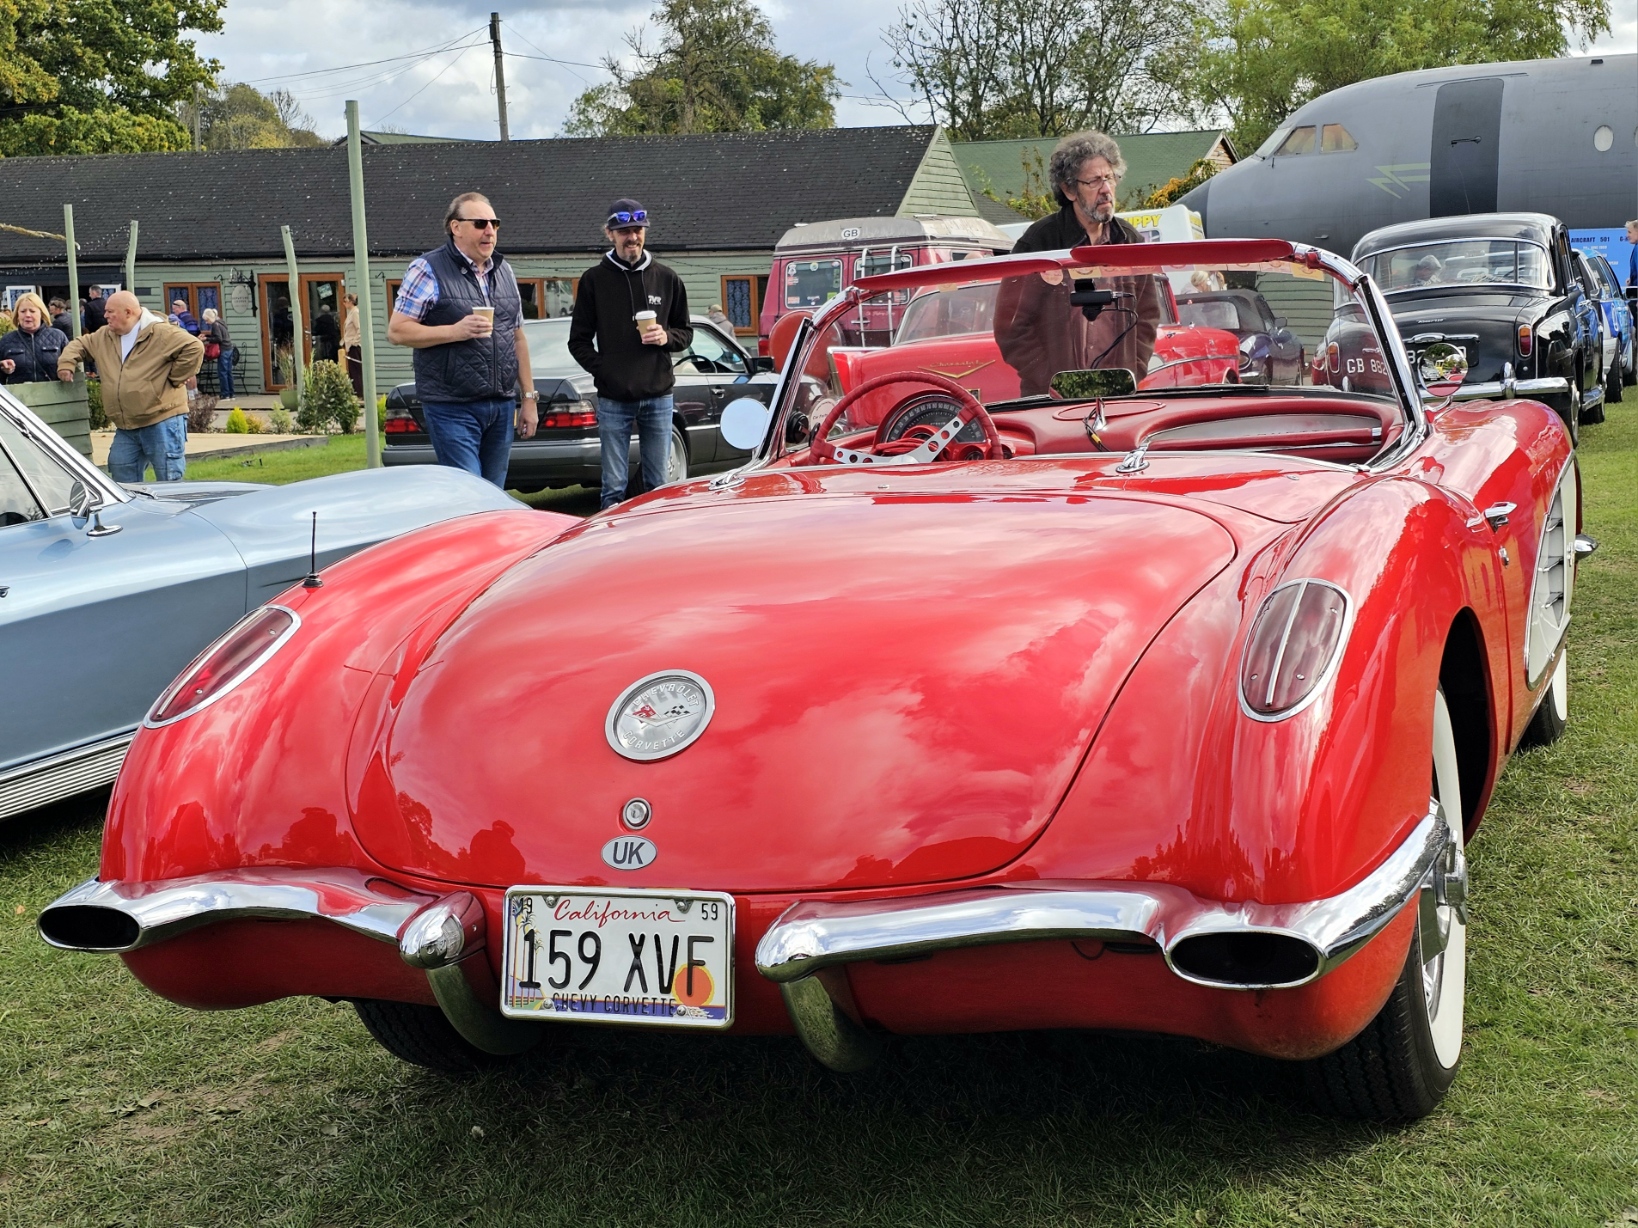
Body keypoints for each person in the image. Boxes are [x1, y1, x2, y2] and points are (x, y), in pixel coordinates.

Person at [386, 190, 539, 487]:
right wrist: (455, 331)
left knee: (494, 493)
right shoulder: (427, 268)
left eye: (495, 224)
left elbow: (517, 337)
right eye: (480, 223)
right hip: (452, 405)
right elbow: (397, 331)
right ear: (456, 227)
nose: (490, 231)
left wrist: (529, 398)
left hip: (501, 405)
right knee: (471, 492)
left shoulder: (503, 270)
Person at [993, 130, 1160, 396]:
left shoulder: (1130, 241)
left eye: (1110, 178)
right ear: (1069, 189)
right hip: (1053, 401)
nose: (1106, 189)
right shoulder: (1039, 243)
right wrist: (1052, 381)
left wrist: (1133, 371)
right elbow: (1011, 328)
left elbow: (1148, 316)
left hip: (1117, 394)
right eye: (1094, 181)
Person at [568, 198, 692, 510]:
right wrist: (604, 368)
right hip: (613, 398)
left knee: (658, 485)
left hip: (658, 394)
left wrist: (666, 337)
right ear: (609, 233)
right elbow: (578, 341)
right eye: (624, 231)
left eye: (637, 230)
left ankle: (654, 546)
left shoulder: (667, 278)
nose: (632, 237)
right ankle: (610, 548)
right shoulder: (594, 280)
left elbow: (686, 333)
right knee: (613, 488)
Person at [58, 291, 203, 483]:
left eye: (110, 311)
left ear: (128, 312)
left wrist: (174, 378)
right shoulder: (104, 336)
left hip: (162, 419)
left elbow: (195, 347)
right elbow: (79, 344)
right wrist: (66, 364)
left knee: (169, 481)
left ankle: (174, 514)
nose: (105, 316)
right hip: (127, 425)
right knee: (120, 474)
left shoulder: (161, 332)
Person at [0, 293, 69, 384]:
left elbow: (72, 364)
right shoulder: (6, 340)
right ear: (17, 314)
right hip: (18, 397)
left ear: (41, 313)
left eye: (32, 311)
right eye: (23, 311)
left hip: (54, 396)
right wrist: (2, 367)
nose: (27, 315)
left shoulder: (59, 337)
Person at [201, 307, 234, 396]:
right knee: (228, 372)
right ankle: (231, 393)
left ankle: (225, 394)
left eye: (206, 320)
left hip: (223, 349)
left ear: (209, 318)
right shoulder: (221, 322)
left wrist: (206, 339)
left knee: (222, 373)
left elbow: (218, 338)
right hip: (229, 348)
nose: (206, 322)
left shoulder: (215, 325)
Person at [341, 292, 363, 396]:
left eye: (345, 301)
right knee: (352, 370)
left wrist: (354, 342)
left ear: (351, 302)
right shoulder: (350, 312)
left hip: (354, 346)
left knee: (356, 370)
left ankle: (359, 393)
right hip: (349, 345)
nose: (344, 304)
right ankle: (355, 391)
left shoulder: (355, 312)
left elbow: (359, 329)